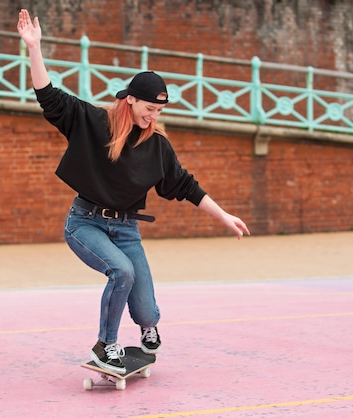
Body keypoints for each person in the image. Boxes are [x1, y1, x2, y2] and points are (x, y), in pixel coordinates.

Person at [17, 9, 250, 374]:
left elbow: (186, 186)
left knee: (144, 308)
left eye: (159, 110)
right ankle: (105, 345)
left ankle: (148, 325)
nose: (153, 116)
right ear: (130, 100)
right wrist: (34, 48)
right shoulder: (93, 122)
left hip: (126, 229)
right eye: (148, 108)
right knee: (122, 272)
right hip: (85, 223)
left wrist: (224, 216)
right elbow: (48, 96)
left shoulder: (157, 146)